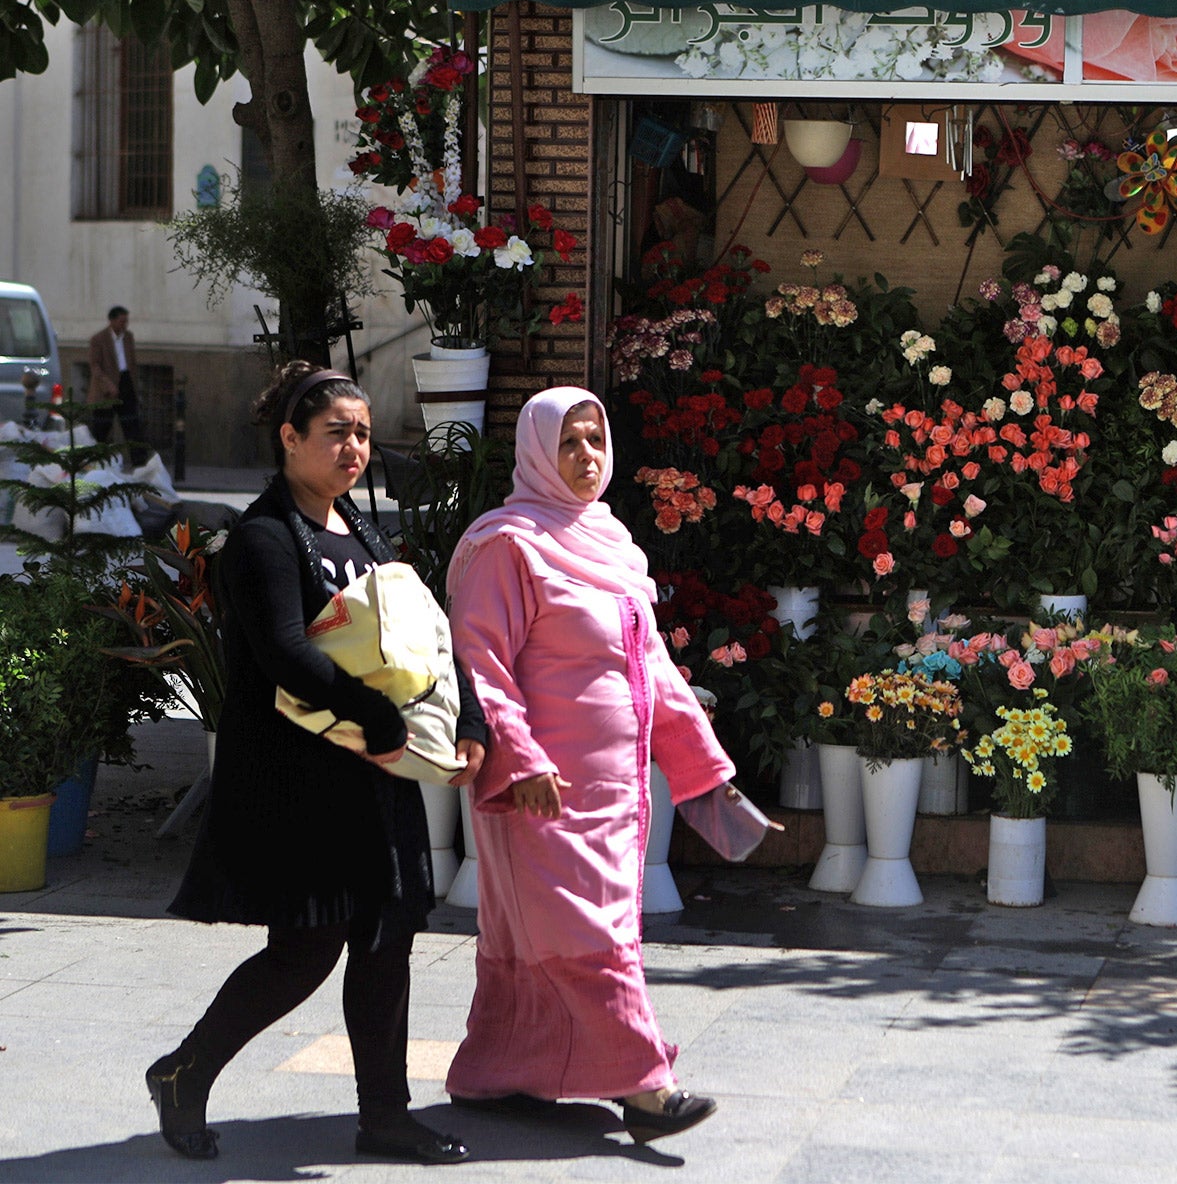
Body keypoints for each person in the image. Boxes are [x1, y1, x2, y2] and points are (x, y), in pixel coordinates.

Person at [150, 361, 488, 1165]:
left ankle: (385, 1118)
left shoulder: (365, 532)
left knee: (386, 940)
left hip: (376, 773)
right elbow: (282, 653)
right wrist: (376, 719)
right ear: (290, 439)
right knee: (306, 947)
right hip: (299, 776)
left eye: (364, 433)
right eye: (336, 432)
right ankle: (183, 1073)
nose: (353, 448)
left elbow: (423, 631)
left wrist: (468, 716)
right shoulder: (262, 538)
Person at [443, 387, 736, 1144]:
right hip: (542, 788)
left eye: (594, 441)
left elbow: (653, 668)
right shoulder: (505, 543)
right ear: (538, 451)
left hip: (616, 793)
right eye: (568, 442)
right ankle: (647, 1088)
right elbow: (481, 666)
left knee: (545, 937)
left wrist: (704, 764)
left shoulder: (610, 542)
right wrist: (521, 758)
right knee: (588, 936)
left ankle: (499, 1071)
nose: (585, 457)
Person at [87, 305, 146, 448]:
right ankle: (95, 457)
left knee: (132, 424)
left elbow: (132, 361)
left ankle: (139, 461)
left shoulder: (128, 337)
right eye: (122, 321)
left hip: (126, 381)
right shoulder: (98, 339)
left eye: (126, 321)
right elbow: (95, 365)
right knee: (102, 426)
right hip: (107, 385)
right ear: (112, 321)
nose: (125, 325)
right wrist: (107, 384)